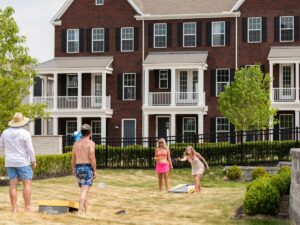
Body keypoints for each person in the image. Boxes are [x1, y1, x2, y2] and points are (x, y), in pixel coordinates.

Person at [0, 112, 36, 212]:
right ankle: (27, 207)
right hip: (23, 162)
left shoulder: (5, 132)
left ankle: (14, 208)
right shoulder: (25, 133)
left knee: (12, 185)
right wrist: (33, 160)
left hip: (10, 162)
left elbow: (1, 144)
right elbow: (30, 149)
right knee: (27, 183)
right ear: (22, 122)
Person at [71, 124, 97, 214]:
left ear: (81, 132)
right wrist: (95, 171)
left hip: (78, 168)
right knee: (84, 191)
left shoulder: (76, 144)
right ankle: (80, 211)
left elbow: (73, 158)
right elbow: (92, 158)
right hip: (87, 167)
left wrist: (73, 169)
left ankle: (87, 211)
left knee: (83, 191)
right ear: (90, 132)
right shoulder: (91, 143)